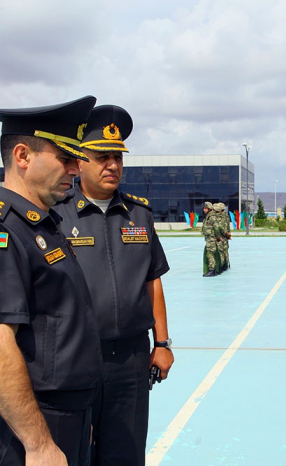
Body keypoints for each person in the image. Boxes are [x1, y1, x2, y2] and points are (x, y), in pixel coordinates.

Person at [0, 96, 103, 465]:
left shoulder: (42, 225)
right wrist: (38, 444)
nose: (75, 170)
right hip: (27, 431)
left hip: (64, 419)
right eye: (65, 158)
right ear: (22, 156)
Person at [53, 104, 173, 465]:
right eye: (102, 157)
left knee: (126, 452)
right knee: (77, 453)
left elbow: (153, 281)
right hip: (77, 360)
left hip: (132, 362)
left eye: (118, 158)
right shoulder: (56, 216)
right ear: (80, 162)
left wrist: (163, 343)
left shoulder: (139, 215)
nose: (113, 166)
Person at [201, 202, 222, 277]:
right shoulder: (209, 216)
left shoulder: (212, 217)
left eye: (205, 208)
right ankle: (213, 270)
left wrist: (218, 236)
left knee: (210, 254)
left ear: (209, 208)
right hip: (209, 237)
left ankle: (212, 270)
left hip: (211, 238)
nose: (204, 210)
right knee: (210, 253)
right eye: (204, 208)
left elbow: (216, 228)